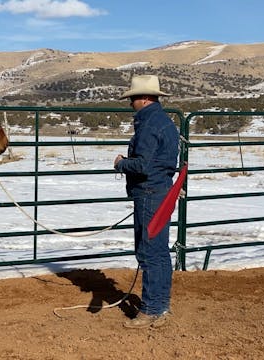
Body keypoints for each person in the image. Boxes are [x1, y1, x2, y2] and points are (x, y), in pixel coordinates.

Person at [113, 75, 179, 329]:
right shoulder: (164, 122)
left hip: (149, 192)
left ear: (143, 98)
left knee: (149, 251)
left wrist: (120, 164)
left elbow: (142, 165)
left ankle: (151, 309)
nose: (131, 104)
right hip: (160, 190)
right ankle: (160, 306)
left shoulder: (149, 125)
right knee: (159, 251)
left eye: (132, 99)